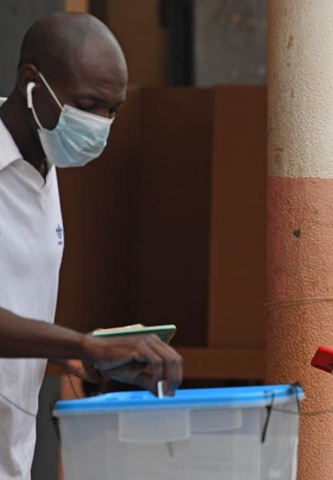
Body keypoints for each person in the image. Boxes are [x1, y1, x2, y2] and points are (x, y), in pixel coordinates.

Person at [0, 12, 183, 478]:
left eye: (112, 110)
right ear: (30, 83)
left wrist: (77, 354)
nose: (100, 124)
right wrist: (84, 344)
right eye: (87, 105)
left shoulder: (45, 160)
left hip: (13, 447)